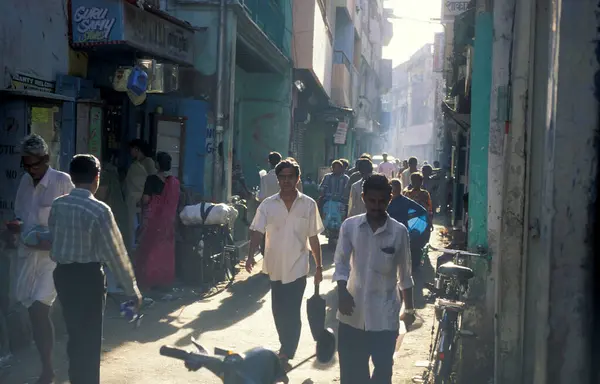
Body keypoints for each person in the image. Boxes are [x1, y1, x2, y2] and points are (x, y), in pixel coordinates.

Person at [49, 154, 142, 384]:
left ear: (72, 177)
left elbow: (53, 236)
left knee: (74, 335)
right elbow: (116, 254)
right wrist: (132, 290)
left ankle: (75, 379)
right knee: (89, 341)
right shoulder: (100, 210)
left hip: (63, 276)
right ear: (96, 178)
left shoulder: (58, 205)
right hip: (88, 278)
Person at [333, 174, 415, 384]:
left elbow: (405, 274)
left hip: (384, 317)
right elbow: (341, 263)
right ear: (363, 198)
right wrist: (342, 291)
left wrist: (410, 310)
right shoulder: (349, 227)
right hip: (352, 313)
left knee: (382, 374)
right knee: (352, 376)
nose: (376, 206)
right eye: (372, 201)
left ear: (389, 199)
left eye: (381, 201)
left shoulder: (399, 232)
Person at [246, 159, 324, 371]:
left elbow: (314, 238)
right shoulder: (268, 205)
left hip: (299, 266)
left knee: (293, 309)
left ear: (298, 179)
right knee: (278, 309)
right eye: (283, 177)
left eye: (291, 177)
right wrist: (250, 256)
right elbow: (257, 232)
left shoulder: (308, 205)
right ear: (278, 179)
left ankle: (287, 350)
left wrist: (318, 267)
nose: (287, 181)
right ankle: (285, 344)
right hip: (275, 266)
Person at [8, 134, 74, 383]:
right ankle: (47, 362)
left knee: (39, 308)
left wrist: (52, 237)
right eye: (26, 165)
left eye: (34, 164)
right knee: (30, 308)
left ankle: (48, 370)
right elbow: (21, 214)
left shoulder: (61, 181)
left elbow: (71, 220)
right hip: (28, 255)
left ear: (46, 159)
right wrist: (16, 227)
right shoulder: (25, 182)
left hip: (52, 258)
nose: (30, 170)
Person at [135, 152, 181, 290]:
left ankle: (149, 281)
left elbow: (146, 199)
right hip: (168, 223)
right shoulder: (174, 182)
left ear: (157, 164)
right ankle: (163, 281)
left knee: (148, 249)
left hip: (153, 221)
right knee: (164, 252)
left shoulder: (151, 179)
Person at [388, 179, 429, 272]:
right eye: (391, 190)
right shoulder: (386, 201)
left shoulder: (405, 201)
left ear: (399, 189)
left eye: (395, 190)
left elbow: (422, 211)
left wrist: (409, 216)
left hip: (402, 231)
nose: (393, 192)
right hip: (388, 231)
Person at [124, 139, 156, 252]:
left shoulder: (148, 162)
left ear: (137, 149)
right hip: (132, 200)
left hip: (142, 200)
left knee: (140, 227)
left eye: (132, 149)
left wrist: (145, 196)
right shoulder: (135, 164)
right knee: (132, 226)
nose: (130, 152)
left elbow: (151, 180)